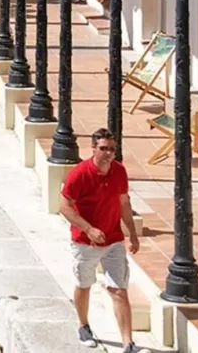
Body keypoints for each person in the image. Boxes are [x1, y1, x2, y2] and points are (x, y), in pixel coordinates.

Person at [58, 128, 140, 352]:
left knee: (119, 290)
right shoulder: (79, 174)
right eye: (103, 148)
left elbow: (124, 203)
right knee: (84, 284)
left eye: (112, 149)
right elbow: (64, 206)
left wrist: (132, 234)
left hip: (113, 240)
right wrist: (89, 229)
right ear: (93, 149)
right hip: (85, 243)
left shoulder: (119, 171)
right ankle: (83, 325)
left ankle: (128, 343)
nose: (108, 154)